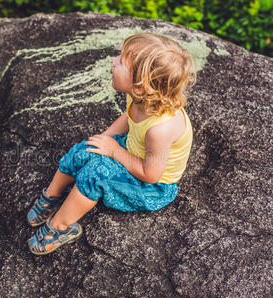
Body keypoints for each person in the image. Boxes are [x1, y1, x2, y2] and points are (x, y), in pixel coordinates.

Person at [27, 32, 196, 255]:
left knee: (95, 174)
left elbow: (151, 174)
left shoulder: (160, 129)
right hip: (130, 151)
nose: (112, 61)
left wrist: (114, 150)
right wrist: (104, 139)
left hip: (150, 187)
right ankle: (52, 195)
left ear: (141, 86)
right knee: (85, 149)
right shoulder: (140, 98)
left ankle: (60, 227)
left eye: (121, 62)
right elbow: (128, 118)